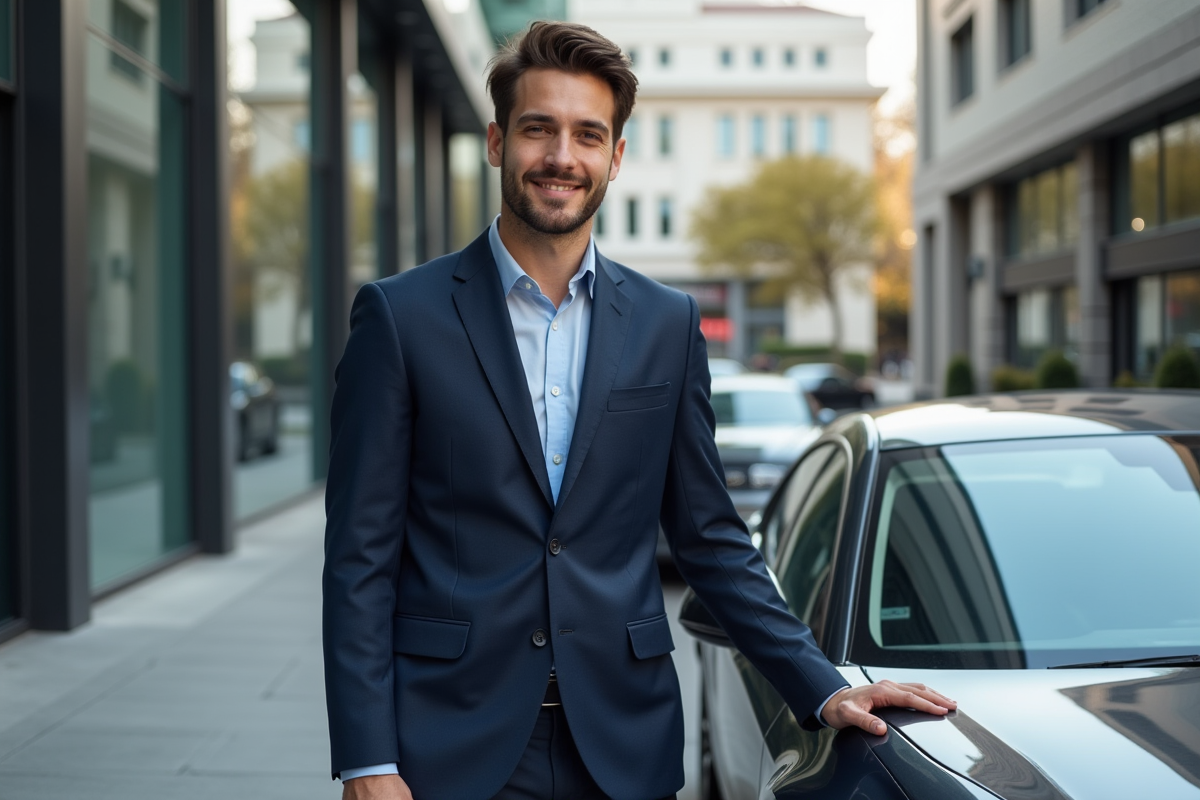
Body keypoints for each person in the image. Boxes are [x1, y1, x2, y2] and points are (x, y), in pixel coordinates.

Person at [323, 21, 955, 800]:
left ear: (616, 156)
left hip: (621, 746)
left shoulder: (667, 323)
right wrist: (366, 759)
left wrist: (822, 686)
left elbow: (711, 538)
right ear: (496, 142)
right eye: (537, 129)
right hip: (449, 747)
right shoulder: (399, 317)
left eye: (589, 135)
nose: (562, 157)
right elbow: (360, 557)